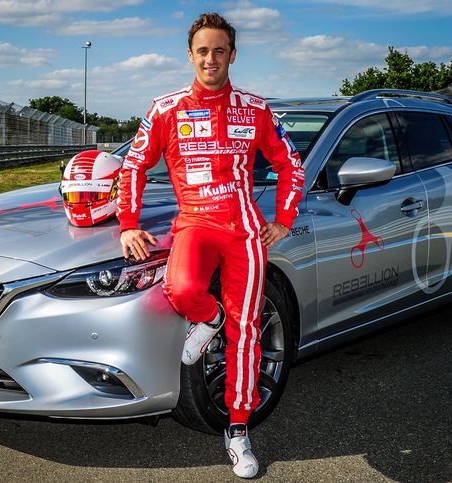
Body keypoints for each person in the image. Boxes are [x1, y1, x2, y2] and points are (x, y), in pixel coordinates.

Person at [116, 12, 304, 479]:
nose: (211, 59)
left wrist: (283, 219)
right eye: (203, 50)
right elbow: (134, 164)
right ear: (190, 55)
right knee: (180, 290)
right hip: (194, 224)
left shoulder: (255, 108)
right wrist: (128, 224)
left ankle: (238, 431)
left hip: (245, 231)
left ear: (232, 56)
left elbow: (291, 163)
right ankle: (210, 317)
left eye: (220, 50)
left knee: (247, 331)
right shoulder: (166, 108)